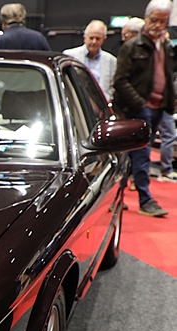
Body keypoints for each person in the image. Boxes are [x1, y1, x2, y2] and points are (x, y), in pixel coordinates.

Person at [113, 0, 173, 217]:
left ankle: (119, 196)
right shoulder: (131, 46)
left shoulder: (166, 47)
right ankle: (145, 199)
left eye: (163, 21)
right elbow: (120, 80)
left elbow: (168, 75)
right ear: (146, 18)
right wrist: (140, 104)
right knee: (141, 154)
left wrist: (169, 101)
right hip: (139, 109)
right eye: (154, 20)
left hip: (159, 107)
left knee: (134, 155)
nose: (158, 25)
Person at [63, 20, 117, 102]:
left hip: (101, 104)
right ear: (84, 37)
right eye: (91, 38)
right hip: (76, 102)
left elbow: (113, 87)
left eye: (98, 38)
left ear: (104, 39)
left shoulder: (111, 61)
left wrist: (107, 99)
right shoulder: (69, 56)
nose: (94, 42)